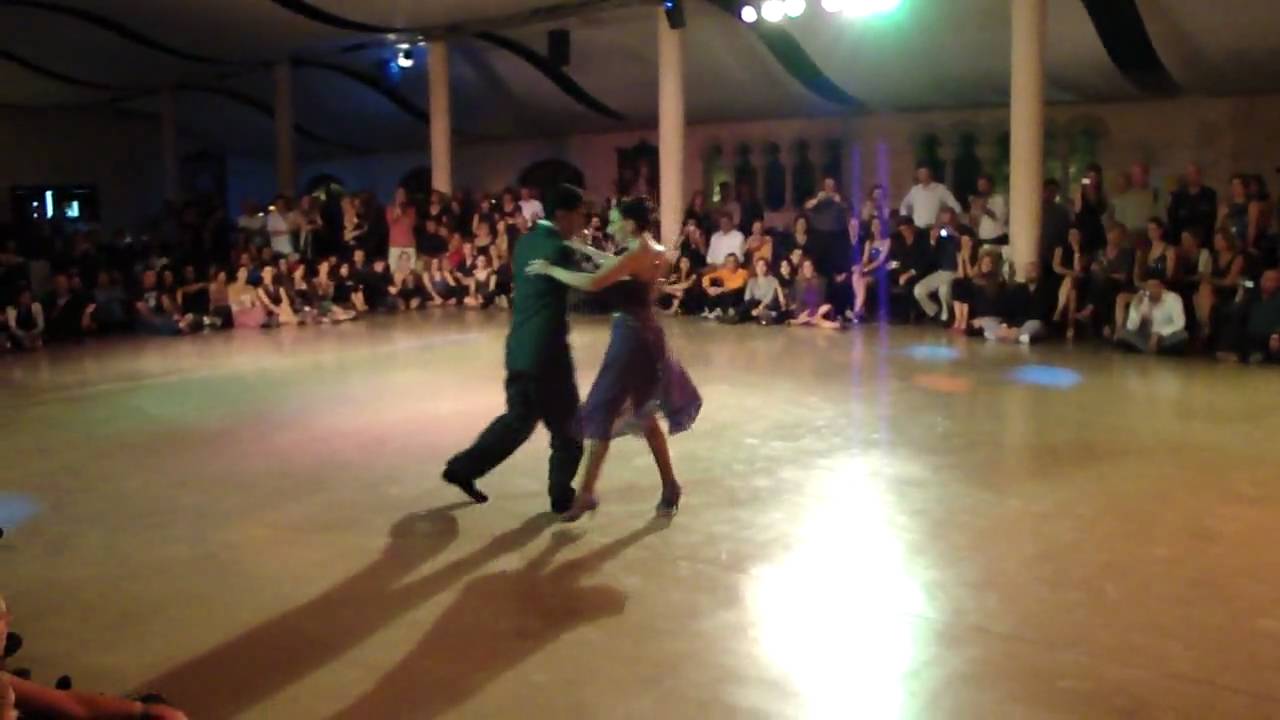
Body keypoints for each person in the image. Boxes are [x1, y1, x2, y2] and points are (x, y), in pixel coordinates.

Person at [525, 197, 700, 521]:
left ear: (631, 224)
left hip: (630, 342)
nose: (609, 226)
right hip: (649, 336)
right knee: (644, 415)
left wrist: (552, 270)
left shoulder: (634, 254)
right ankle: (669, 486)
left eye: (615, 220)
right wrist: (588, 251)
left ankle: (587, 493)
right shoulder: (657, 252)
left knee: (604, 409)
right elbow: (620, 264)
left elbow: (595, 281)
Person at [442, 184, 588, 514]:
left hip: (519, 346)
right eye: (580, 212)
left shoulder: (525, 242)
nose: (583, 218)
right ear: (563, 214)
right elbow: (587, 292)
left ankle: (461, 469)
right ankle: (562, 498)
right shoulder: (559, 250)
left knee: (517, 422)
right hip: (547, 355)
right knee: (569, 428)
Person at [981, 260, 1054, 343]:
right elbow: (1009, 310)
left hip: (1032, 324)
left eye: (1033, 271)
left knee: (1035, 324)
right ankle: (1007, 334)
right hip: (1015, 325)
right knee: (987, 321)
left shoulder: (1046, 290)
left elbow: (1040, 314)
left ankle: (1011, 335)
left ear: (1039, 272)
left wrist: (1017, 328)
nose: (1030, 273)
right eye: (1027, 271)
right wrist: (1006, 325)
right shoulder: (1019, 289)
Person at [1194, 229, 1245, 341]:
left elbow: (1229, 281)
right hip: (1214, 289)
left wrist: (1212, 280)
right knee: (1203, 290)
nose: (1216, 242)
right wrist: (1210, 280)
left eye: (1219, 240)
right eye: (1215, 239)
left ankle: (1206, 327)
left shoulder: (1238, 258)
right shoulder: (1213, 256)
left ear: (1227, 241)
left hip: (1230, 290)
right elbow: (1205, 275)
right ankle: (1207, 324)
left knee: (1204, 290)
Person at [1116, 279, 1188, 354]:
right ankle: (1151, 349)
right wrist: (1137, 307)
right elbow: (1131, 327)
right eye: (1148, 287)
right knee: (1123, 333)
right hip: (1144, 337)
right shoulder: (1140, 298)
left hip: (1164, 337)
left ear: (1162, 288)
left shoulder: (1173, 298)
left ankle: (1150, 349)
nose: (1151, 290)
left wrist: (1158, 333)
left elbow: (1180, 324)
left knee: (1182, 335)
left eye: (1155, 287)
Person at [913, 221, 959, 324]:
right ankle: (935, 313)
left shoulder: (959, 235)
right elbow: (930, 260)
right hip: (940, 272)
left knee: (944, 291)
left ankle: (946, 318)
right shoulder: (938, 241)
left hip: (955, 272)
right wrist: (933, 241)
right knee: (919, 290)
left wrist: (955, 235)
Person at [852, 216, 892, 322]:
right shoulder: (869, 242)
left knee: (863, 281)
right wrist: (860, 267)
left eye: (878, 224)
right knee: (856, 276)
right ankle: (858, 310)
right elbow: (865, 259)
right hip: (869, 270)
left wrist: (866, 269)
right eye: (874, 225)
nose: (876, 227)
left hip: (882, 270)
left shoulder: (887, 241)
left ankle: (857, 311)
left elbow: (880, 260)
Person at [1167, 163, 1217, 245]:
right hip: (1182, 241)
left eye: (1194, 173)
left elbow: (1212, 218)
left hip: (1204, 241)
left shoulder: (1209, 194)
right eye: (1189, 174)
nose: (1192, 177)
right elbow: (1173, 220)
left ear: (1199, 175)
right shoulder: (1177, 196)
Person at [899, 164, 961, 229]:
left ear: (929, 173)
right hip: (917, 228)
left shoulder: (940, 189)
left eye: (924, 172)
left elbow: (955, 205)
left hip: (933, 228)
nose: (921, 175)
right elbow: (904, 204)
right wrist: (905, 220)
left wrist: (952, 221)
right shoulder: (915, 190)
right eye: (919, 173)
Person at [787, 258, 840, 329]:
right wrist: (799, 311)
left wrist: (818, 310)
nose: (808, 269)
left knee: (827, 307)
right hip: (805, 311)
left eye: (809, 266)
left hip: (819, 310)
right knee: (816, 319)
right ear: (802, 269)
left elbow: (823, 300)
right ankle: (808, 320)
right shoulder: (798, 283)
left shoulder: (822, 281)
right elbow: (796, 300)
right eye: (805, 267)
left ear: (813, 267)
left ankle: (800, 321)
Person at [734, 257, 787, 324]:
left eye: (763, 265)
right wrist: (753, 309)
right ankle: (734, 316)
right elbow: (747, 298)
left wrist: (759, 308)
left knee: (768, 309)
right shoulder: (752, 281)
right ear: (755, 268)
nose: (760, 268)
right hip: (754, 305)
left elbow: (769, 297)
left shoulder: (773, 280)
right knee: (747, 305)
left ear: (767, 267)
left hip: (767, 305)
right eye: (758, 266)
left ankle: (737, 314)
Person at [698, 253, 749, 320]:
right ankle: (711, 310)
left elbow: (739, 284)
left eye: (734, 261)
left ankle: (719, 311)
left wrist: (721, 289)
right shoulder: (723, 272)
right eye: (729, 261)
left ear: (737, 263)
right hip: (724, 292)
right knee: (710, 290)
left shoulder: (743, 272)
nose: (732, 263)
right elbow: (706, 277)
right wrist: (708, 288)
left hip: (737, 294)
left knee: (733, 292)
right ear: (725, 263)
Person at [386, 186, 417, 272]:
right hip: (394, 245)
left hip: (409, 245)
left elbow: (411, 223)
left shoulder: (411, 210)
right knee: (393, 271)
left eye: (403, 194)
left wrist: (403, 212)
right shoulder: (390, 209)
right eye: (399, 194)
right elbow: (390, 223)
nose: (401, 196)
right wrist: (396, 213)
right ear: (395, 195)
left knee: (410, 272)